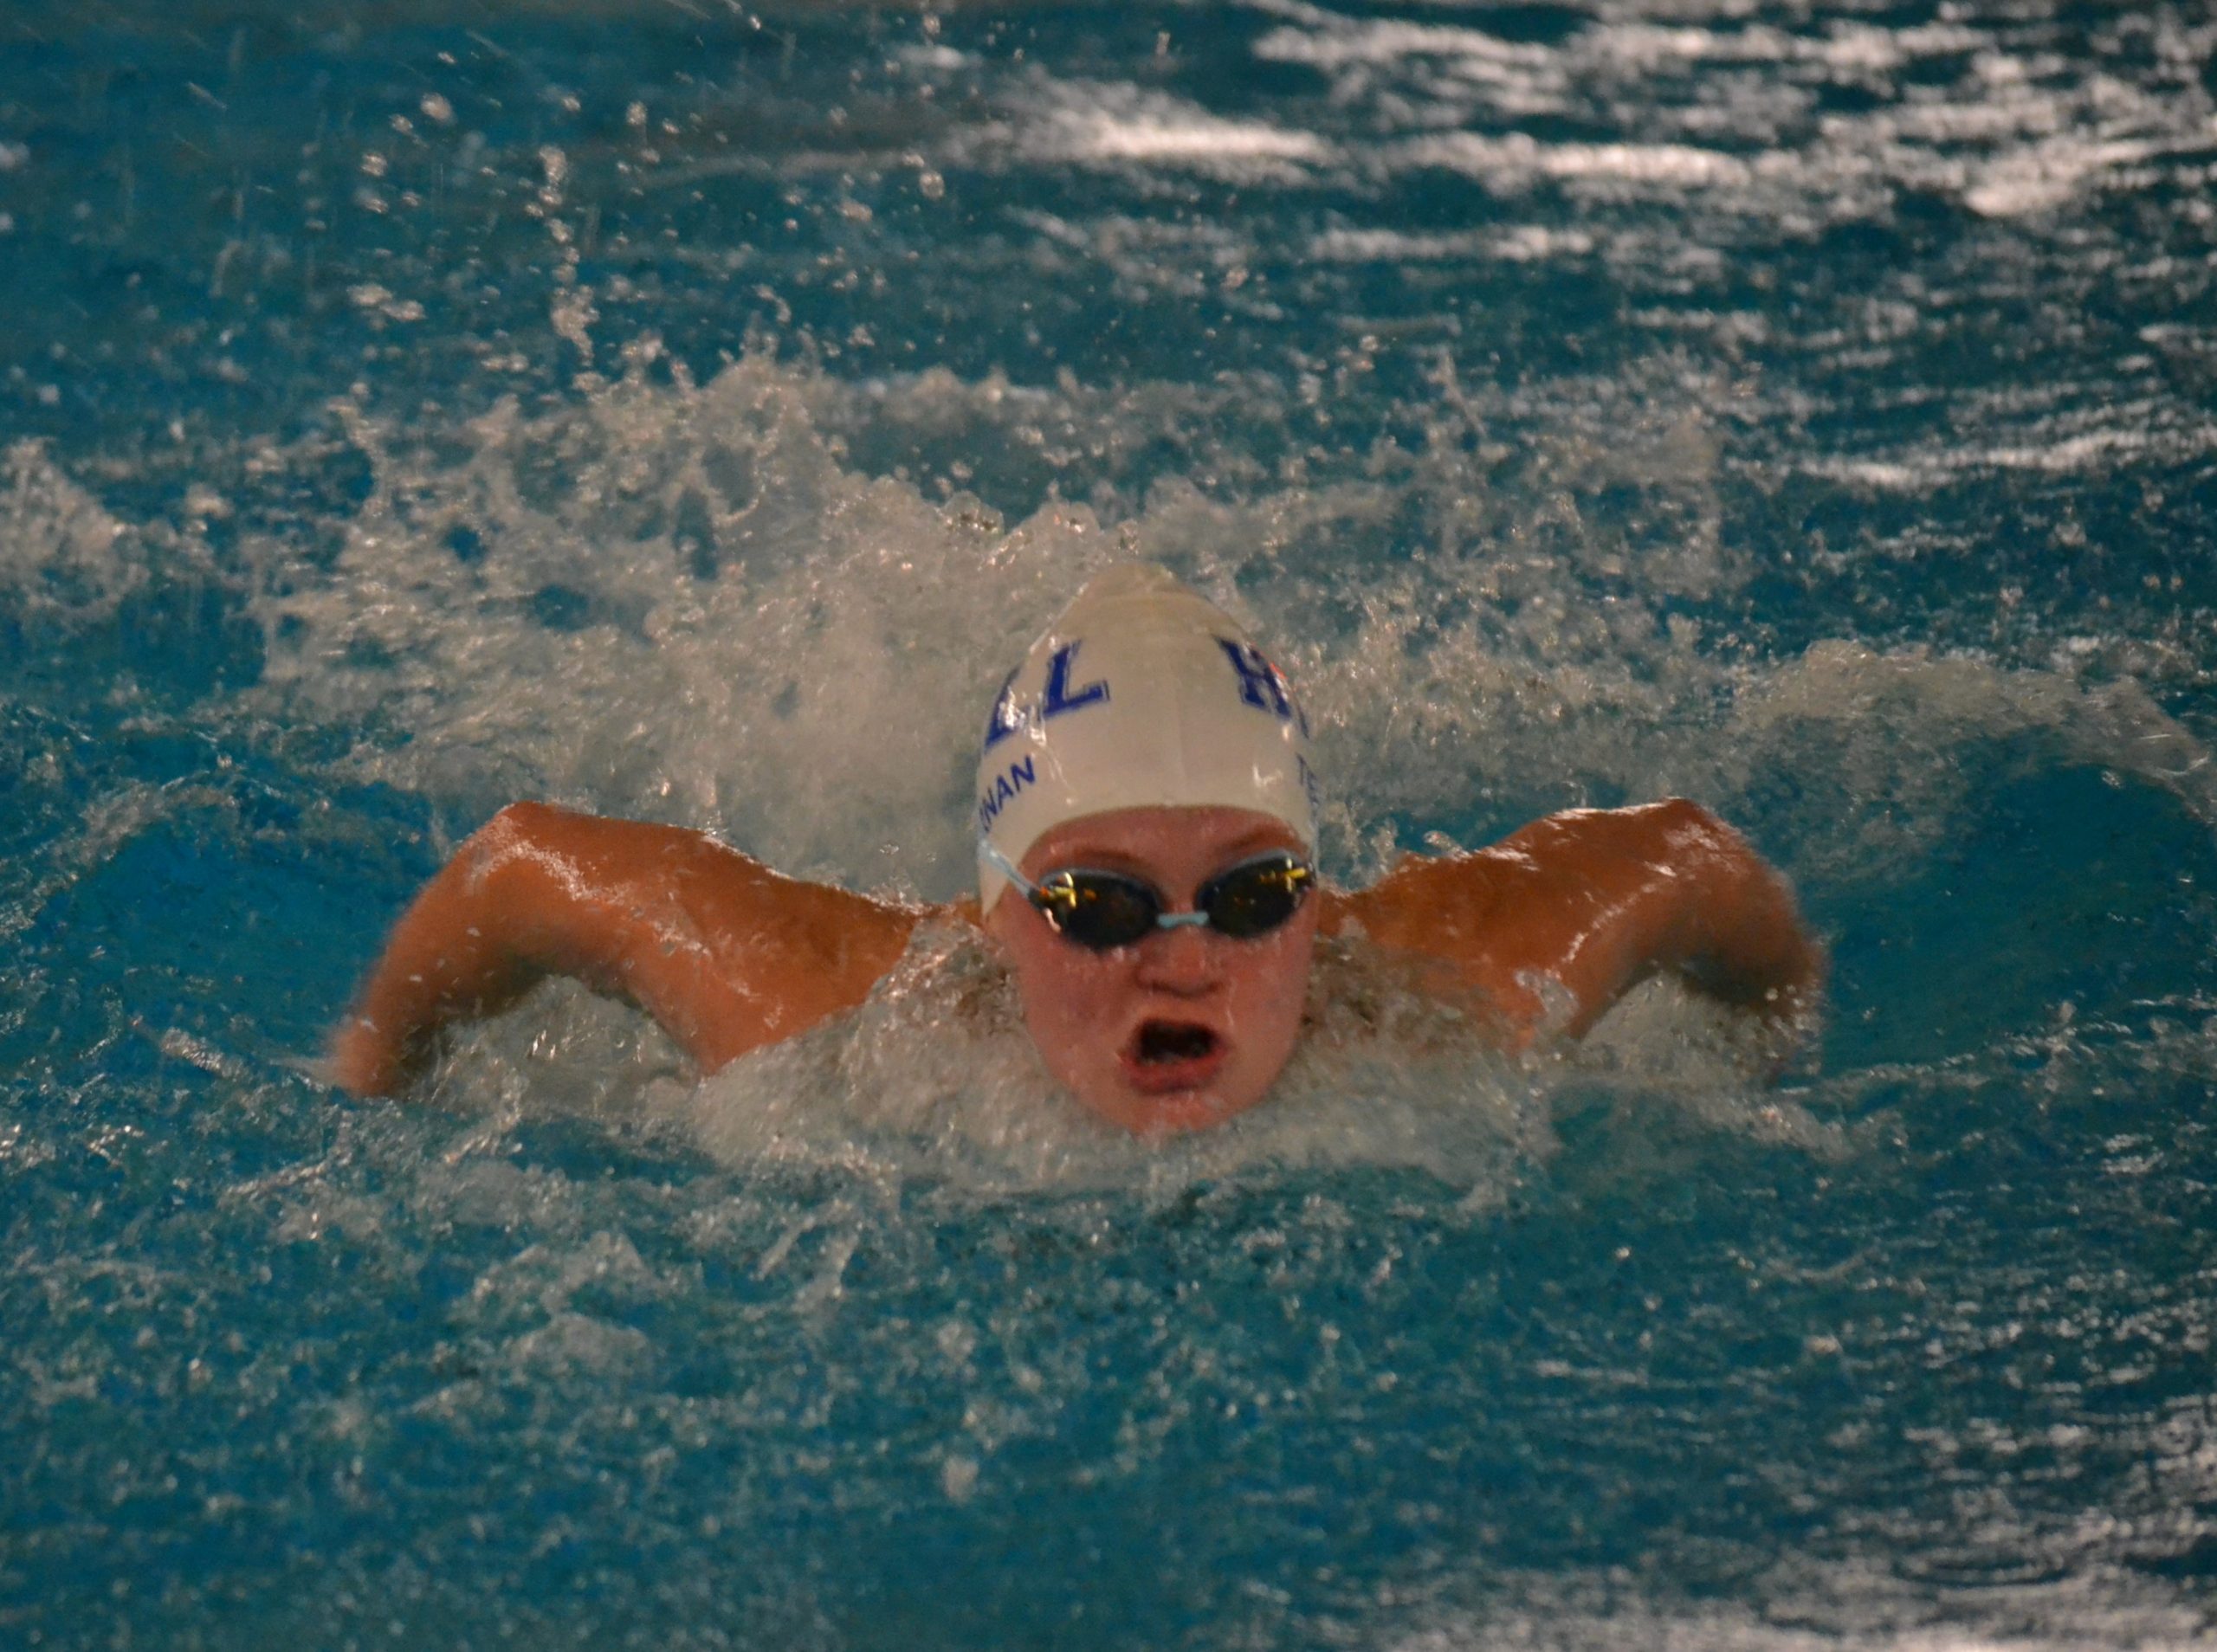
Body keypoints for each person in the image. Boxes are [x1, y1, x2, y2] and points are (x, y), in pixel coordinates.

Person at [330, 564, 1822, 1135]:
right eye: (1097, 904)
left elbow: (1687, 857)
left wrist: (1772, 1052)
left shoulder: (1458, 993)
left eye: (1253, 893)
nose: (1186, 953)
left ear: (1321, 898)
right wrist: (368, 1082)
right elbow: (523, 865)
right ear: (992, 918)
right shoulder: (818, 1015)